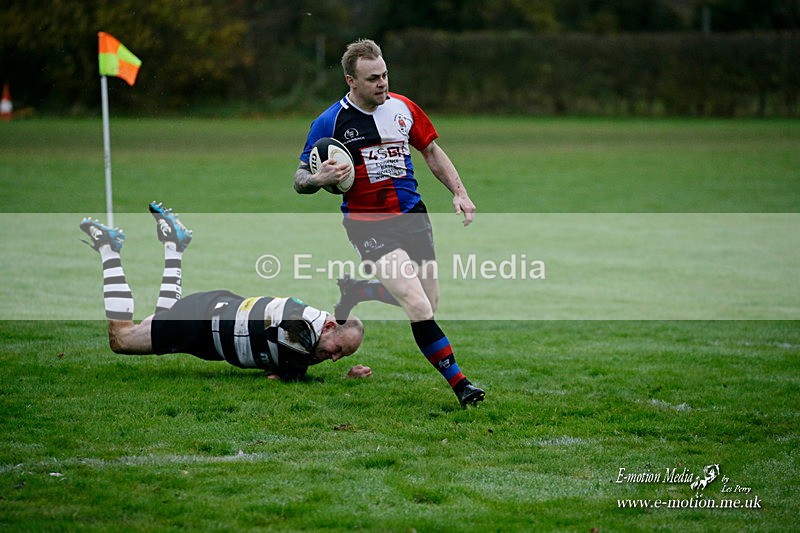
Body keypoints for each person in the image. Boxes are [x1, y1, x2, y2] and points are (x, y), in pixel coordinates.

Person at [294, 39, 484, 406]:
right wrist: (318, 180)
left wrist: (459, 192)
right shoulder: (329, 121)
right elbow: (300, 178)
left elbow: (430, 150)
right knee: (417, 305)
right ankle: (462, 385)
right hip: (369, 225)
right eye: (372, 78)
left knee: (430, 302)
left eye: (384, 75)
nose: (382, 83)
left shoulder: (403, 108)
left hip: (413, 215)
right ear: (351, 81)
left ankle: (361, 292)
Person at [79, 202, 370, 382]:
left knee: (161, 318)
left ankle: (174, 245)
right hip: (201, 324)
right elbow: (287, 375)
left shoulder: (312, 324)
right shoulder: (300, 330)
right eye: (338, 351)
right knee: (122, 339)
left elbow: (287, 369)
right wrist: (338, 379)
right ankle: (108, 248)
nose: (332, 359)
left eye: (341, 358)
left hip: (213, 314)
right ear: (330, 326)